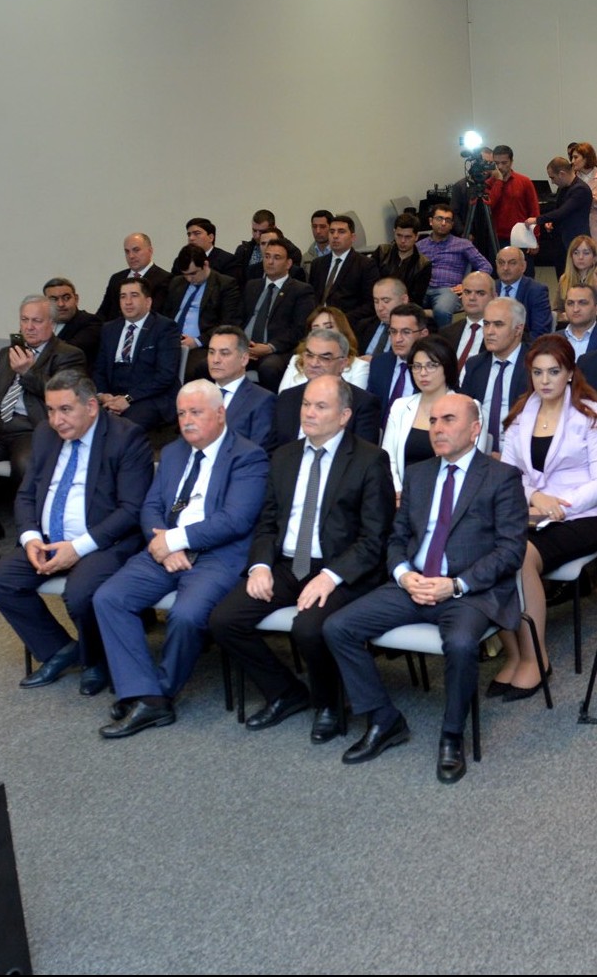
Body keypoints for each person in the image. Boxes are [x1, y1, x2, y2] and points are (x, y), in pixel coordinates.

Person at [323, 393, 529, 783]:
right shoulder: (418, 474)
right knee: (337, 627)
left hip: (467, 592)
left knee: (462, 644)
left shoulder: (501, 477)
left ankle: (452, 735)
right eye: (433, 421)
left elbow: (510, 551)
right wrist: (404, 574)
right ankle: (384, 719)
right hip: (412, 585)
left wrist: (455, 585)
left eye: (448, 420)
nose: (437, 428)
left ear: (475, 429)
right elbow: (396, 537)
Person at [208, 375, 398, 743]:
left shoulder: (369, 459)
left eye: (320, 406)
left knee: (308, 627)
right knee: (224, 620)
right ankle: (285, 692)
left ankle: (329, 704)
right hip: (288, 563)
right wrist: (260, 565)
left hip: (340, 569)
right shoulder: (284, 456)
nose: (309, 412)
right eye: (306, 404)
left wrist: (331, 576)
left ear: (344, 416)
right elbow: (267, 521)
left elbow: (375, 537)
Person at [93, 379, 271, 739]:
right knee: (109, 598)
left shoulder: (247, 456)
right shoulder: (174, 452)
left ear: (220, 414)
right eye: (181, 413)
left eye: (196, 412)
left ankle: (158, 694)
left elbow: (235, 520)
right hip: (165, 551)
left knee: (187, 615)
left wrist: (173, 540)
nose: (187, 420)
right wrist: (164, 544)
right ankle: (145, 693)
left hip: (217, 555)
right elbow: (150, 506)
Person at [0, 371, 153, 696]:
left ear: (91, 407)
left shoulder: (126, 437)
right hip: (48, 539)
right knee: (0, 581)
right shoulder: (46, 434)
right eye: (50, 410)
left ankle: (96, 659)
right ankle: (60, 650)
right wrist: (31, 538)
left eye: (65, 410)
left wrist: (78, 548)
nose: (56, 420)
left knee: (80, 593)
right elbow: (26, 494)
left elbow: (132, 510)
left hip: (103, 542)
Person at [486, 335, 597, 699]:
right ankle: (515, 654)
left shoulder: (590, 414)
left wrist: (558, 505)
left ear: (570, 373)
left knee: (517, 556)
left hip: (583, 514)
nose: (545, 380)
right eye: (537, 372)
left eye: (554, 371)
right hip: (532, 511)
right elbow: (509, 474)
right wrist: (535, 497)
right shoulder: (521, 414)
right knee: (486, 549)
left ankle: (536, 658)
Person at [0, 296, 88, 483]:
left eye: (36, 321)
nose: (29, 327)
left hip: (33, 430)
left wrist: (27, 372)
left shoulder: (68, 355)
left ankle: (21, 503)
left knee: (27, 467)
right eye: (24, 320)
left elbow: (66, 396)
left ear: (52, 324)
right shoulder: (8, 353)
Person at [270, 329, 384, 453]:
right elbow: (272, 451)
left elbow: (364, 456)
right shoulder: (287, 397)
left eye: (324, 358)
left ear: (343, 363)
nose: (314, 363)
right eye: (309, 355)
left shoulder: (363, 403)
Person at [93, 278, 181, 431]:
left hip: (149, 397)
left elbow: (165, 375)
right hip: (113, 396)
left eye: (134, 295)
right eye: (123, 296)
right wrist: (104, 395)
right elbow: (99, 369)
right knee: (84, 420)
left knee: (121, 428)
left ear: (148, 302)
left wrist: (128, 398)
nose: (128, 302)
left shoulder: (165, 328)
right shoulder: (109, 329)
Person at [382, 336, 459, 493]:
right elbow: (388, 459)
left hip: (447, 495)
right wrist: (398, 493)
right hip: (401, 495)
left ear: (447, 367)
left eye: (431, 366)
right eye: (417, 366)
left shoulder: (467, 408)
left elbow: (466, 464)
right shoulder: (400, 406)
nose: (423, 373)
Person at [239, 238, 318, 386]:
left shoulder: (300, 290)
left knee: (269, 368)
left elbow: (300, 329)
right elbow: (238, 319)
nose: (270, 262)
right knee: (209, 363)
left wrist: (270, 347)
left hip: (277, 350)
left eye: (277, 258)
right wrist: (242, 343)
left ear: (288, 263)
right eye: (267, 256)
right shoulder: (252, 286)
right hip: (245, 347)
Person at [458, 297, 530, 456]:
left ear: (518, 329)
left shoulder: (535, 365)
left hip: (520, 455)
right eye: (486, 324)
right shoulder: (475, 365)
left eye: (498, 324)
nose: (489, 331)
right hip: (477, 453)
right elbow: (464, 413)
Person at [164, 252, 241, 385]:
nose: (189, 279)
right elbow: (166, 314)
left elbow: (228, 324)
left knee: (190, 370)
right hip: (171, 340)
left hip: (201, 344)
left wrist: (197, 341)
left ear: (205, 265)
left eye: (193, 273)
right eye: (185, 274)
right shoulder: (177, 282)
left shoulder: (225, 285)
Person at [419, 200, 494, 327]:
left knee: (442, 311)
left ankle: (445, 339)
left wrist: (468, 285)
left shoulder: (463, 244)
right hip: (422, 289)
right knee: (401, 307)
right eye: (439, 219)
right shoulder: (420, 246)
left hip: (447, 290)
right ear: (431, 221)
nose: (443, 223)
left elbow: (486, 266)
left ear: (452, 225)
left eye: (448, 220)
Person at [307, 214, 381, 343]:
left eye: (341, 232)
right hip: (318, 325)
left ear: (353, 237)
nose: (335, 236)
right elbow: (312, 297)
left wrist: (339, 320)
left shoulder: (365, 264)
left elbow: (370, 304)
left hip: (348, 326)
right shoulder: (318, 264)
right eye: (332, 232)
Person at [206, 327, 278, 452]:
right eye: (211, 352)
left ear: (244, 359)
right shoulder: (199, 395)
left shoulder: (262, 400)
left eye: (224, 353)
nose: (215, 360)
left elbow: (257, 454)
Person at [272, 307, 368, 394]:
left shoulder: (360, 366)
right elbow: (283, 397)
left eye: (329, 327)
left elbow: (355, 402)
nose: (323, 332)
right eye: (316, 329)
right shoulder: (296, 360)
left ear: (342, 331)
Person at [94, 233, 171, 323]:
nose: (131, 256)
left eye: (136, 250)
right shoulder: (116, 278)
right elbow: (103, 313)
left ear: (150, 251)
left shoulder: (165, 279)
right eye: (127, 252)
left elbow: (156, 315)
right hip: (112, 330)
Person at [368, 305, 431, 409]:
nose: (398, 339)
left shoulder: (433, 369)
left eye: (406, 332)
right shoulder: (379, 363)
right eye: (393, 331)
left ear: (423, 334)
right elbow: (370, 407)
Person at [535, 156, 591, 271]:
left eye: (553, 177)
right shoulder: (563, 188)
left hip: (577, 243)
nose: (552, 182)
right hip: (562, 242)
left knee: (576, 276)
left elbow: (562, 212)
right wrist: (552, 222)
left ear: (561, 174)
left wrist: (537, 220)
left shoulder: (581, 189)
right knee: (562, 275)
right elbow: (559, 210)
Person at [486, 144, 540, 255]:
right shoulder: (488, 184)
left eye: (504, 163)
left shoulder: (524, 182)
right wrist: (499, 181)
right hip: (496, 238)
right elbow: (489, 206)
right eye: (496, 163)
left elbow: (534, 211)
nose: (500, 167)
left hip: (521, 237)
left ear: (511, 162)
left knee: (524, 266)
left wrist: (535, 238)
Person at [493, 246, 554, 339]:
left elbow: (540, 333)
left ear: (523, 266)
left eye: (512, 263)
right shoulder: (489, 288)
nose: (505, 268)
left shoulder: (537, 291)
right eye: (501, 263)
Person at [374, 210, 432, 301]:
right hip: (377, 302)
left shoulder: (423, 265)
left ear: (416, 237)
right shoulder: (381, 252)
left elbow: (416, 298)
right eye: (399, 235)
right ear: (394, 232)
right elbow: (370, 284)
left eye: (408, 237)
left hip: (404, 307)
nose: (402, 241)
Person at [44, 277, 101, 363]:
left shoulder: (90, 322)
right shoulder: (41, 323)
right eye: (54, 299)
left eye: (66, 298)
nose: (61, 304)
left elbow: (68, 351)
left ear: (76, 299)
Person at [445, 272, 495, 368]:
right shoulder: (446, 333)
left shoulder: (503, 335)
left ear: (494, 297)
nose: (472, 298)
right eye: (467, 292)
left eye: (480, 293)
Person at [231, 209, 278, 283]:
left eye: (262, 231)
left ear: (274, 229)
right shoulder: (243, 250)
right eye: (254, 230)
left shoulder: (289, 251)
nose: (257, 236)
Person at [559, 283, 597, 362]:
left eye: (582, 303)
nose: (575, 309)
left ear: (596, 308)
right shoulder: (551, 340)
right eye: (570, 303)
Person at [558, 235, 597, 308]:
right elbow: (557, 310)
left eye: (586, 253)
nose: (580, 257)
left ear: (595, 258)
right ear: (571, 257)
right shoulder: (564, 279)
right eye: (576, 253)